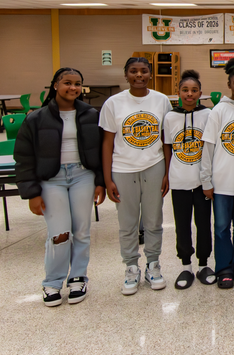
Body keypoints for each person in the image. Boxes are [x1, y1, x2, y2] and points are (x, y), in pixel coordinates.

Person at [14, 67, 105, 306]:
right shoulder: (36, 118)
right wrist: (31, 193)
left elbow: (99, 151)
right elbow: (23, 157)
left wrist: (100, 182)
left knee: (82, 231)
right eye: (67, 83)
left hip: (82, 175)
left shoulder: (91, 114)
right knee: (59, 234)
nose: (73, 87)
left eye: (77, 83)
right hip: (51, 179)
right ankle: (52, 282)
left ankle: (78, 277)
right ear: (55, 85)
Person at [100, 57, 172, 295]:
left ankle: (153, 264)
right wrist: (107, 179)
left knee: (153, 220)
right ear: (126, 74)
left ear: (150, 74)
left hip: (154, 166)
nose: (139, 75)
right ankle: (131, 267)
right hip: (122, 169)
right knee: (127, 223)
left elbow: (166, 139)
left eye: (143, 71)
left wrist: (167, 172)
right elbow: (107, 143)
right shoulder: (113, 103)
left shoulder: (161, 100)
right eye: (133, 71)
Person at [200, 58, 234, 289]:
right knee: (222, 228)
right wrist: (206, 180)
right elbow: (208, 147)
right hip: (221, 183)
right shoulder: (218, 111)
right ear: (229, 84)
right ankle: (224, 268)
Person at [163, 70, 215, 289]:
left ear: (200, 93)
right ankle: (186, 266)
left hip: (202, 182)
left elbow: (211, 147)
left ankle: (203, 264)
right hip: (179, 181)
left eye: (194, 90)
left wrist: (210, 178)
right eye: (185, 90)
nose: (189, 94)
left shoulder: (208, 114)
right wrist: (166, 174)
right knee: (182, 225)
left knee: (203, 224)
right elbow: (167, 147)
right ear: (178, 93)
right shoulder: (170, 117)